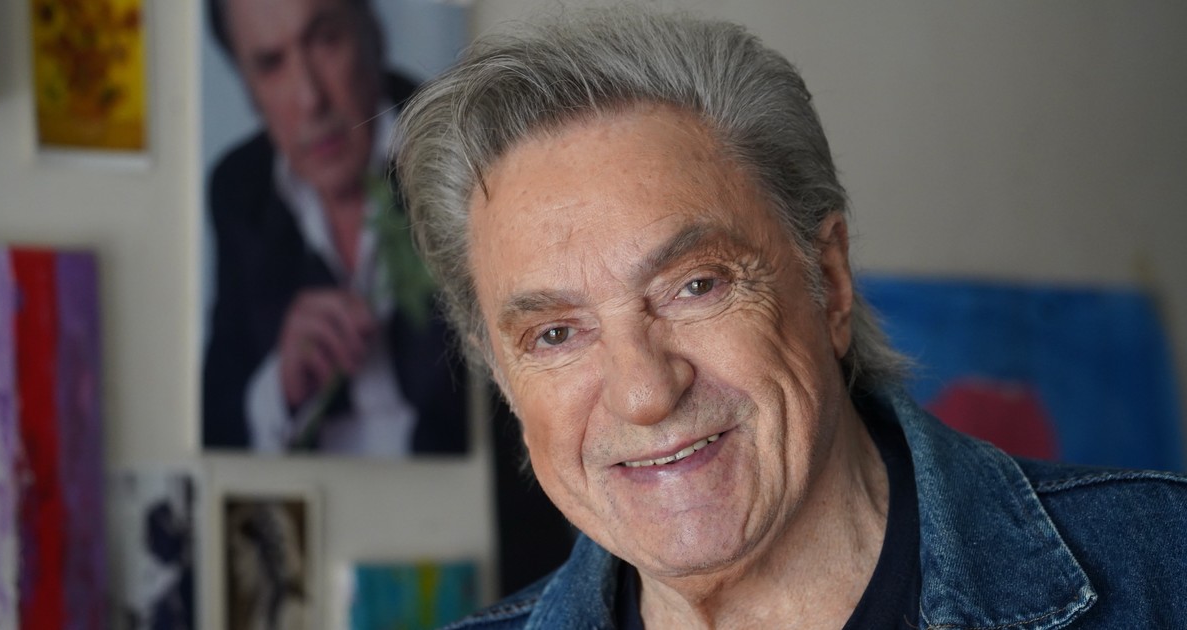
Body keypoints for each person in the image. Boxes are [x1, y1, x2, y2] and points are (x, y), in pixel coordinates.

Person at [393, 8, 1187, 627]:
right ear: (501, 375)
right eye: (555, 334)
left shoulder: (1164, 571)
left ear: (829, 280)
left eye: (695, 286)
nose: (644, 393)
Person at [202, 0, 465, 456]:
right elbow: (217, 419)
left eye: (326, 40)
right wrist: (279, 385)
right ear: (248, 91)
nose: (310, 99)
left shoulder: (460, 145)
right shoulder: (239, 189)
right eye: (271, 64)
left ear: (371, 33)